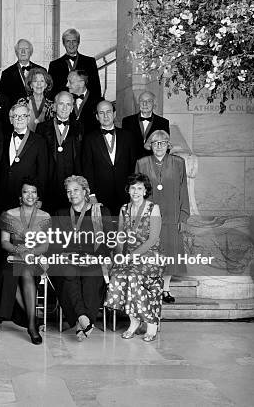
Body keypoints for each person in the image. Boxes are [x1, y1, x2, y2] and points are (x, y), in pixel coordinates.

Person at [51, 176, 112, 341]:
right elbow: (55, 243)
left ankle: (80, 321)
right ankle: (84, 319)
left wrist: (96, 258)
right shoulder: (61, 214)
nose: (72, 194)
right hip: (69, 259)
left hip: (94, 258)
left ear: (85, 191)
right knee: (68, 273)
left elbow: (110, 241)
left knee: (91, 279)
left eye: (76, 190)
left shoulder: (100, 211)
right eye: (69, 191)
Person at [104, 173, 163, 342]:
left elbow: (152, 239)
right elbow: (121, 237)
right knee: (118, 274)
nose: (135, 191)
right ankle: (134, 321)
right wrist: (118, 257)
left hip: (150, 256)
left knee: (134, 276)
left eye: (139, 188)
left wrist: (131, 257)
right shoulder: (124, 209)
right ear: (128, 190)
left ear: (145, 191)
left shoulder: (153, 208)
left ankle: (151, 324)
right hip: (130, 257)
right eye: (132, 188)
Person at [136, 130, 189, 303]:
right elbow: (136, 191)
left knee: (169, 252)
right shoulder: (141, 163)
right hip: (149, 215)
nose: (159, 146)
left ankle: (165, 290)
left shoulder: (178, 163)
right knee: (150, 253)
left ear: (168, 145)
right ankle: (151, 289)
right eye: (155, 143)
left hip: (172, 214)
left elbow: (183, 190)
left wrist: (183, 217)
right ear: (149, 145)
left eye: (163, 142)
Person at [0, 179, 51, 344]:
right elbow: (4, 242)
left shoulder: (45, 216)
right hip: (13, 255)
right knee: (7, 275)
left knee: (27, 273)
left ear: (37, 196)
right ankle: (32, 320)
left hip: (35, 257)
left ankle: (31, 327)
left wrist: (31, 253)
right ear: (20, 196)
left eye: (33, 192)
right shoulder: (9, 214)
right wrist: (18, 250)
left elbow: (46, 244)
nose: (30, 195)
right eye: (26, 191)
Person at [82, 100, 137, 216]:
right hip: (100, 196)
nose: (106, 116)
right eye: (101, 113)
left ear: (114, 114)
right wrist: (91, 195)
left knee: (124, 230)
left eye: (109, 112)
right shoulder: (89, 139)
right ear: (97, 117)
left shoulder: (128, 136)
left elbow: (133, 166)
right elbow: (88, 169)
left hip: (125, 194)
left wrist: (134, 191)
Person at [0, 103, 47, 213]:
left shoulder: (39, 141)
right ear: (11, 120)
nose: (19, 119)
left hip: (27, 195)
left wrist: (40, 196)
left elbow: (42, 172)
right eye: (15, 116)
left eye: (23, 116)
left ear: (28, 118)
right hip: (4, 193)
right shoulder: (3, 138)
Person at [36, 92, 81, 211]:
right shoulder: (41, 128)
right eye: (61, 104)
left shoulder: (81, 127)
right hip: (49, 185)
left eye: (68, 104)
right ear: (55, 106)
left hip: (72, 187)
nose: (65, 107)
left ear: (72, 108)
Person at [47, 28, 102, 101]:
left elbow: (96, 88)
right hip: (63, 106)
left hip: (86, 105)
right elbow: (51, 90)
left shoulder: (89, 62)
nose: (71, 44)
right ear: (64, 43)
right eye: (68, 41)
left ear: (78, 42)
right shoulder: (54, 65)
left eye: (74, 41)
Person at [122, 91, 170, 158]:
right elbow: (124, 145)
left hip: (153, 164)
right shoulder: (127, 121)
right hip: (133, 164)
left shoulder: (163, 122)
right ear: (138, 103)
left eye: (149, 101)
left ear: (154, 104)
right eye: (142, 101)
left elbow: (166, 147)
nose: (145, 104)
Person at [0, 39, 43, 106]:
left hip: (37, 111)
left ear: (31, 52)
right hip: (17, 113)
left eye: (26, 49)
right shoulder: (6, 73)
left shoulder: (41, 70)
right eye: (20, 49)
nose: (23, 51)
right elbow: (4, 99)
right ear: (16, 52)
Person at [66, 70, 99, 139]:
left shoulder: (98, 102)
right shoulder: (65, 100)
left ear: (81, 83)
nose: (67, 85)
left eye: (70, 82)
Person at [23, 67, 54, 132]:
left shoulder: (51, 106)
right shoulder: (23, 103)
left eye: (42, 81)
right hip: (27, 140)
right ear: (30, 84)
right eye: (35, 81)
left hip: (45, 141)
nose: (39, 84)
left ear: (46, 85)